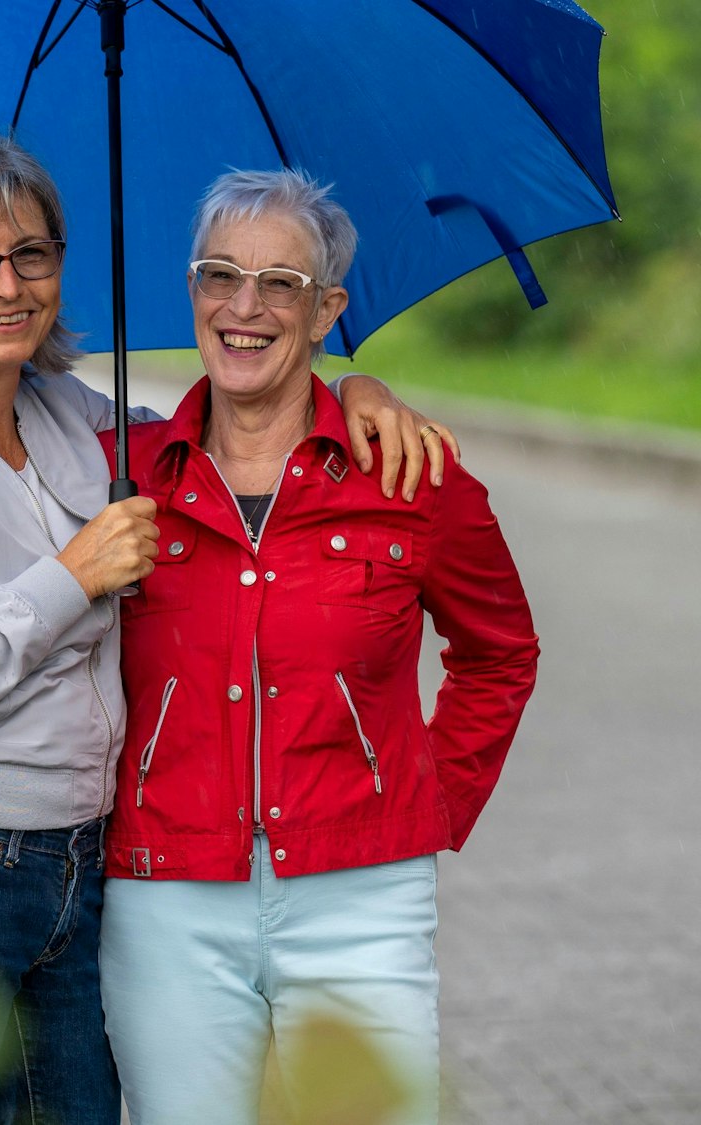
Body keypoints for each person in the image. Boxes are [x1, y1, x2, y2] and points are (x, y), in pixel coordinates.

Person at [0, 135, 451, 1125]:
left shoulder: (69, 418)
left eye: (32, 254)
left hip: (70, 870)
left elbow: (232, 430)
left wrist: (355, 395)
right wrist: (72, 575)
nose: (7, 286)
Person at [92, 169, 540, 1125]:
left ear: (329, 309)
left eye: (281, 284)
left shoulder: (410, 475)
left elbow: (500, 650)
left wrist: (430, 796)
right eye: (220, 275)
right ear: (191, 290)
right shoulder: (117, 476)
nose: (244, 307)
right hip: (166, 897)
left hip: (362, 899)